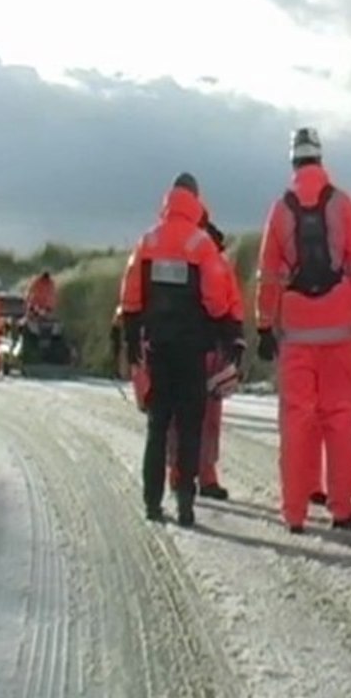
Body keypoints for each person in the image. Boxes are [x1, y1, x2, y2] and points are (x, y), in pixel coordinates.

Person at [255, 127, 351, 533]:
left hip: (298, 327)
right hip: (339, 325)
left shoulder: (281, 209)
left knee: (296, 420)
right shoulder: (342, 204)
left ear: (293, 162)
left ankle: (294, 513)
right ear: (320, 159)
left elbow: (269, 273)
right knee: (339, 418)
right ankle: (342, 509)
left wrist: (264, 324)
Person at [119, 171, 236, 527]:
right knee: (189, 428)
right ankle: (186, 503)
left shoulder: (147, 242)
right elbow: (216, 299)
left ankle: (152, 504)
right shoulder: (201, 244)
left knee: (157, 429)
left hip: (158, 351)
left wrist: (131, 339)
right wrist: (226, 333)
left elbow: (130, 298)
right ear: (196, 202)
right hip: (191, 352)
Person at [166, 218, 246, 501]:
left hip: (199, 347)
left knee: (185, 416)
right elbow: (232, 303)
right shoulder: (215, 260)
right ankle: (194, 475)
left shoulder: (182, 254)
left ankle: (188, 474)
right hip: (203, 347)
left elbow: (233, 301)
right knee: (202, 417)